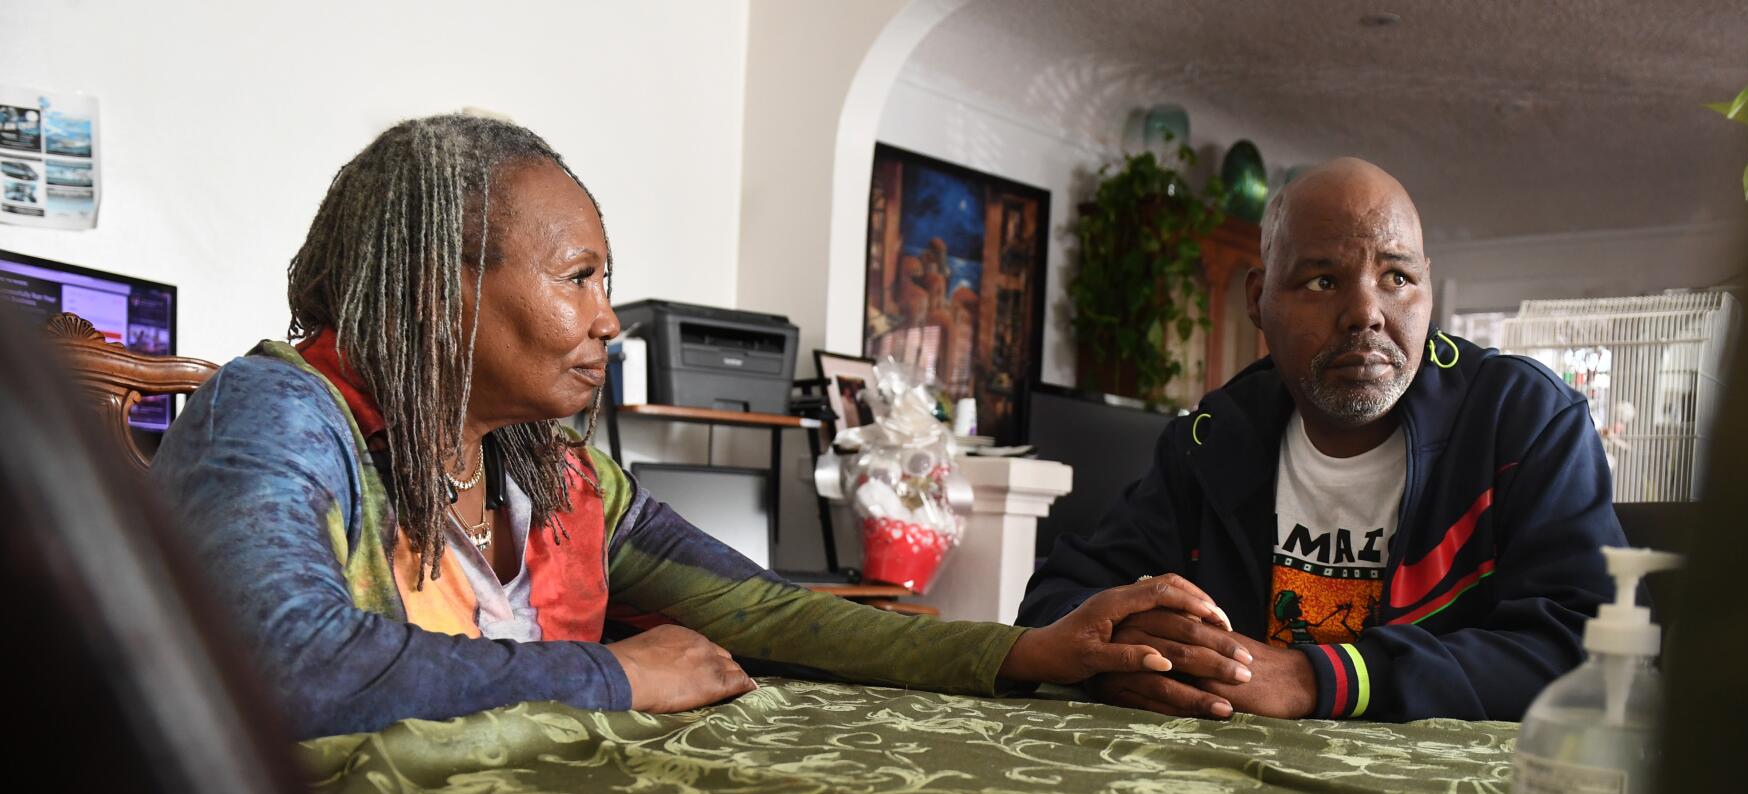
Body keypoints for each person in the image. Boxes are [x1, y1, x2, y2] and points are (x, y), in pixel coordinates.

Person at [152, 115, 1230, 740]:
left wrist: (1028, 651)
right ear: (440, 288)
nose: (609, 322)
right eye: (579, 279)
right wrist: (615, 679)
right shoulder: (277, 413)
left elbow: (779, 617)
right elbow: (273, 668)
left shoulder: (557, 480)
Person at [1018, 158, 1625, 723]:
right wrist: (1129, 650)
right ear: (1258, 300)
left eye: (1397, 277)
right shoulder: (1212, 441)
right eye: (1322, 281)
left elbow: (1597, 651)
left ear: (1428, 290)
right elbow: (1059, 598)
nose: (1366, 311)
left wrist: (1317, 679)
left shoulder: (1523, 421)